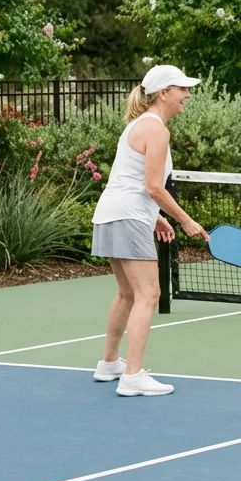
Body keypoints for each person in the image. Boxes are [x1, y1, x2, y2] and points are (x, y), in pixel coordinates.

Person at [90, 64, 209, 397]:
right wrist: (185, 219)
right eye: (182, 89)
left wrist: (155, 217)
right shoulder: (156, 130)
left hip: (110, 214)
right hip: (126, 216)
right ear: (164, 93)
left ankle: (110, 363)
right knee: (148, 294)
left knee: (128, 293)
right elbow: (154, 187)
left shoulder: (136, 126)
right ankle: (132, 376)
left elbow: (129, 180)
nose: (187, 94)